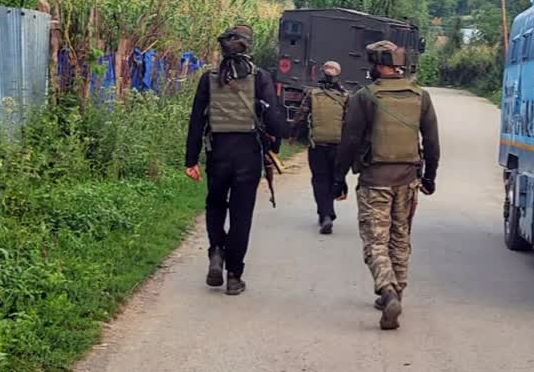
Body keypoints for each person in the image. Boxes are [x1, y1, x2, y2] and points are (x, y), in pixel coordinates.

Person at [332, 40, 440, 331]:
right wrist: (429, 177)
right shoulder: (421, 96)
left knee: (375, 241)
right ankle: (397, 294)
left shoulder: (364, 96)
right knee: (400, 237)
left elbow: (350, 141)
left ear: (379, 65)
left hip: (374, 181)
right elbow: (431, 142)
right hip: (408, 180)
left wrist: (338, 178)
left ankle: (387, 290)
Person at [184, 24, 286, 296]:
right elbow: (274, 121)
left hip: (217, 154)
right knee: (241, 216)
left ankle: (216, 251)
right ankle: (234, 276)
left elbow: (197, 121)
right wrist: (277, 140)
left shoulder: (209, 78)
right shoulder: (261, 77)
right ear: (248, 45)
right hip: (248, 157)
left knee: (215, 205)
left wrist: (190, 160)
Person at [289, 60, 348, 234]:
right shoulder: (345, 96)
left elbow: (300, 116)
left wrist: (292, 135)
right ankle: (327, 212)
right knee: (332, 178)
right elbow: (351, 122)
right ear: (338, 75)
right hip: (338, 146)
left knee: (319, 179)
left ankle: (325, 214)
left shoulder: (312, 94)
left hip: (318, 145)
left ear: (322, 74)